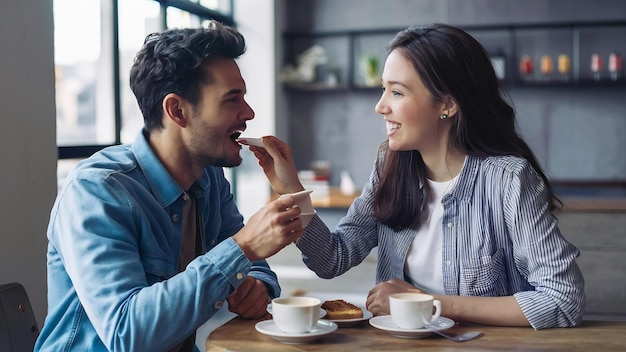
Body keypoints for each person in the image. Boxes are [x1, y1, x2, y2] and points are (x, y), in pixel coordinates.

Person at [250, 23, 585, 330]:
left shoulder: (509, 180)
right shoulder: (389, 166)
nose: (380, 106)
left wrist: (426, 303)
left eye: (397, 92)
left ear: (447, 105)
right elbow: (332, 258)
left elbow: (562, 300)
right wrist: (291, 189)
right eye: (383, 90)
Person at [35, 21, 305, 352]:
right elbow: (126, 334)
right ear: (177, 110)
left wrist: (258, 285)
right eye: (232, 100)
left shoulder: (209, 178)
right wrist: (242, 247)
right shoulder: (97, 192)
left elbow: (255, 266)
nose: (248, 113)